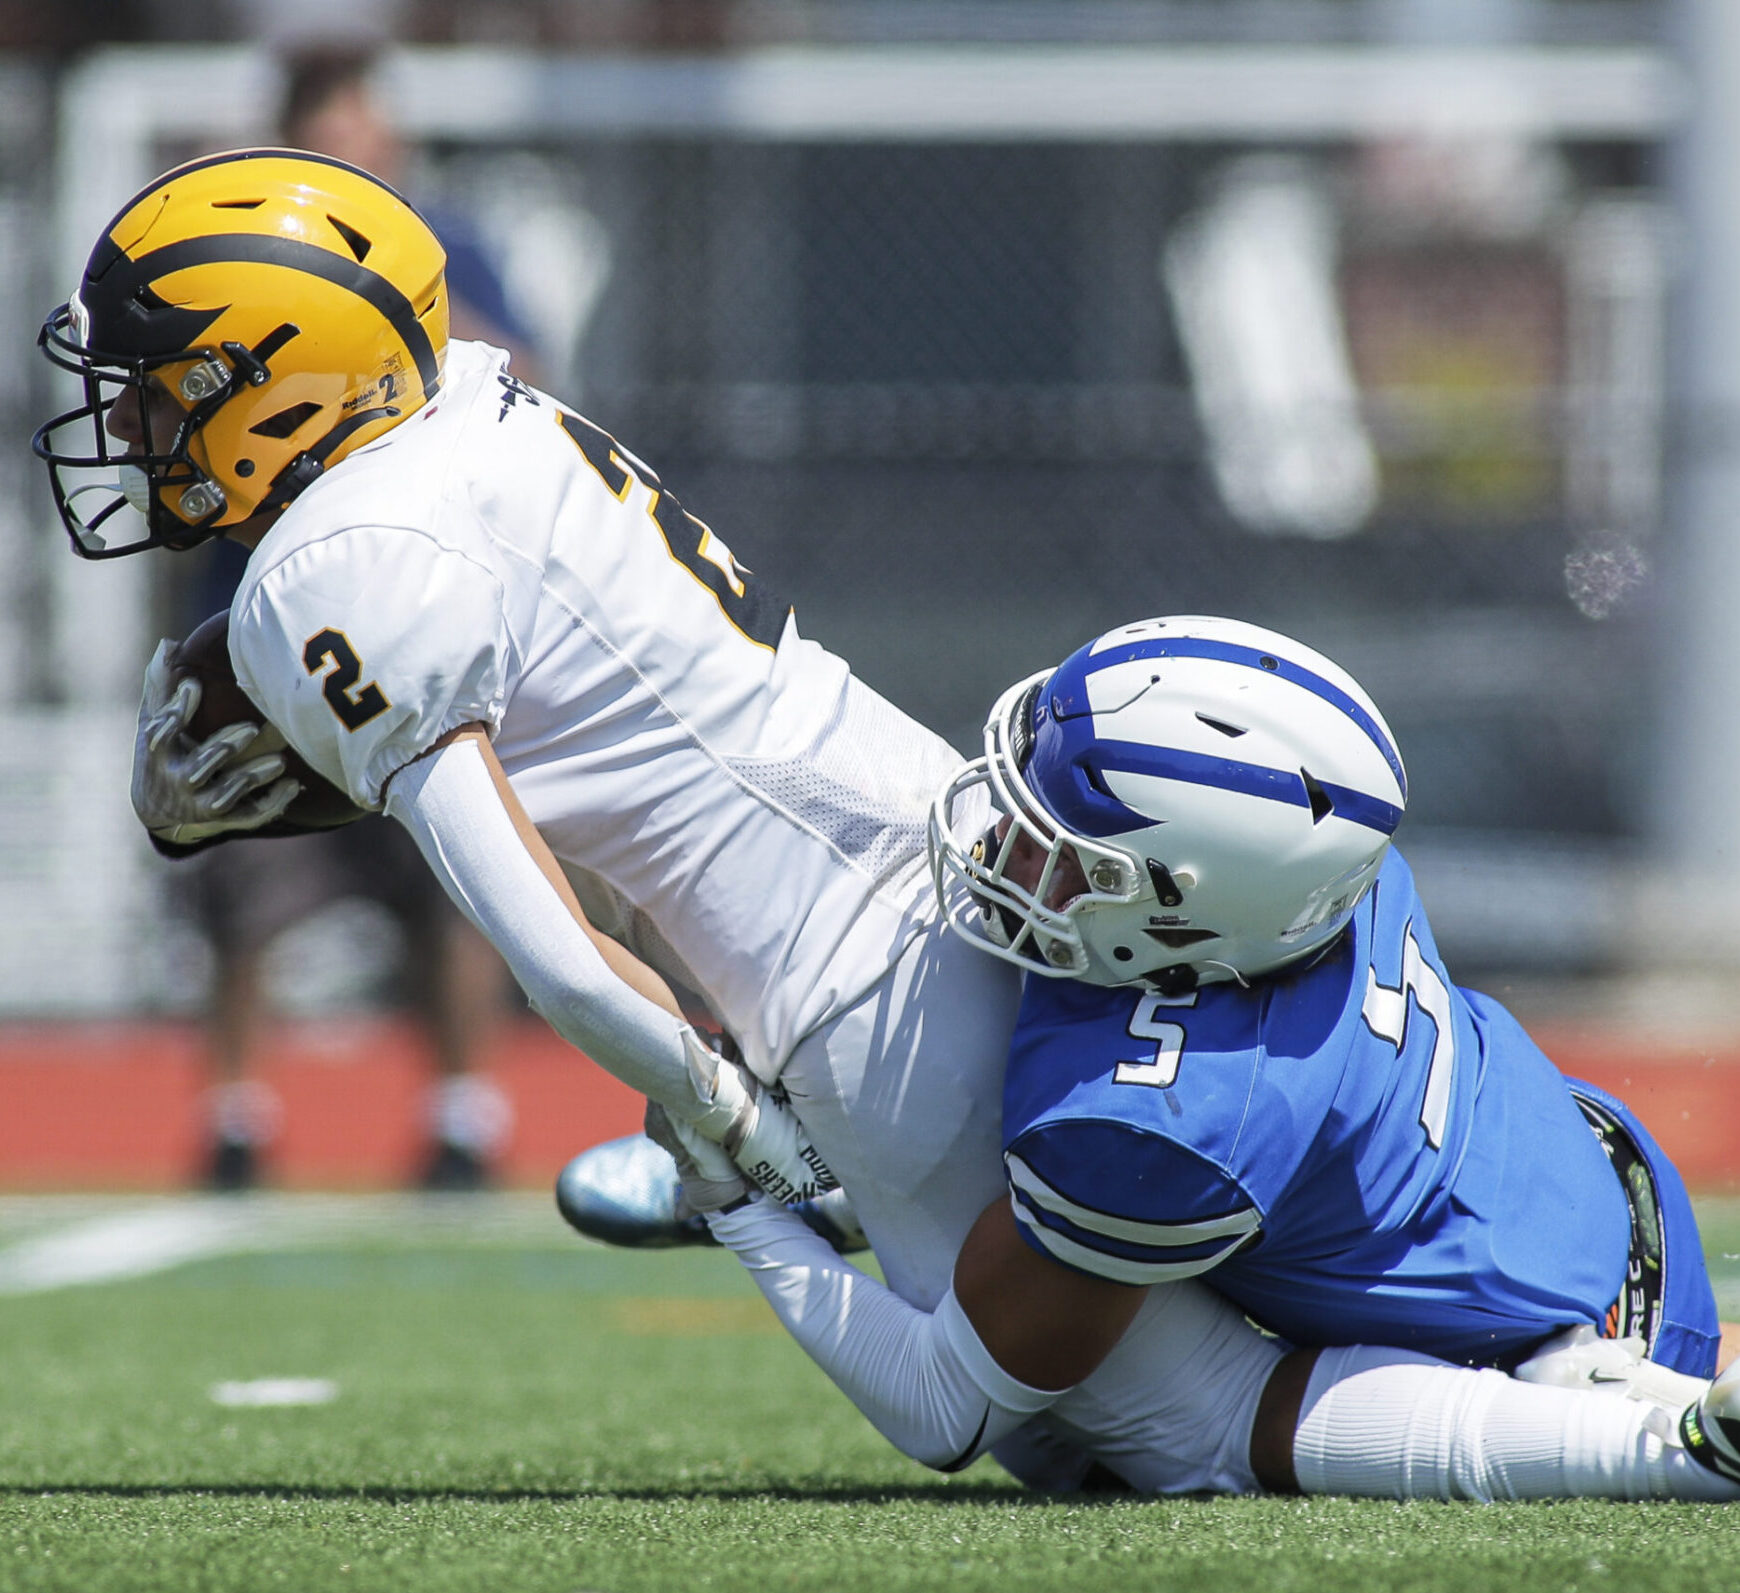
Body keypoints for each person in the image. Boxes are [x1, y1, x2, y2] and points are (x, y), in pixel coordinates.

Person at [30, 150, 1737, 1504]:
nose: (129, 425)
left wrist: (727, 1137)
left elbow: (546, 941)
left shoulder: (331, 569)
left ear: (278, 376)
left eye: (161, 384)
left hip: (870, 1029)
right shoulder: (477, 394)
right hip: (943, 833)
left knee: (1153, 1429)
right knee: (1090, 1345)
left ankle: (1639, 1444)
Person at [644, 615, 1740, 1499]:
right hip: (1575, 1167)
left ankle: (1645, 1444)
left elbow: (943, 1409)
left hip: (1567, 1323)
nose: (997, 843)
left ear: (1182, 916)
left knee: (1240, 1431)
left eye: (1057, 845)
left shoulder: (1161, 1128)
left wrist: (747, 1207)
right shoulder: (1304, 883)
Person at [176, 40, 544, 1191]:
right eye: (339, 122)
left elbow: (517, 374)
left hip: (416, 618)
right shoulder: (234, 256)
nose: (365, 143)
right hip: (265, 616)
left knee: (456, 879)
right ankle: (236, 1117)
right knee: (242, 883)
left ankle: (461, 1115)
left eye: (369, 121)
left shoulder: (442, 246)